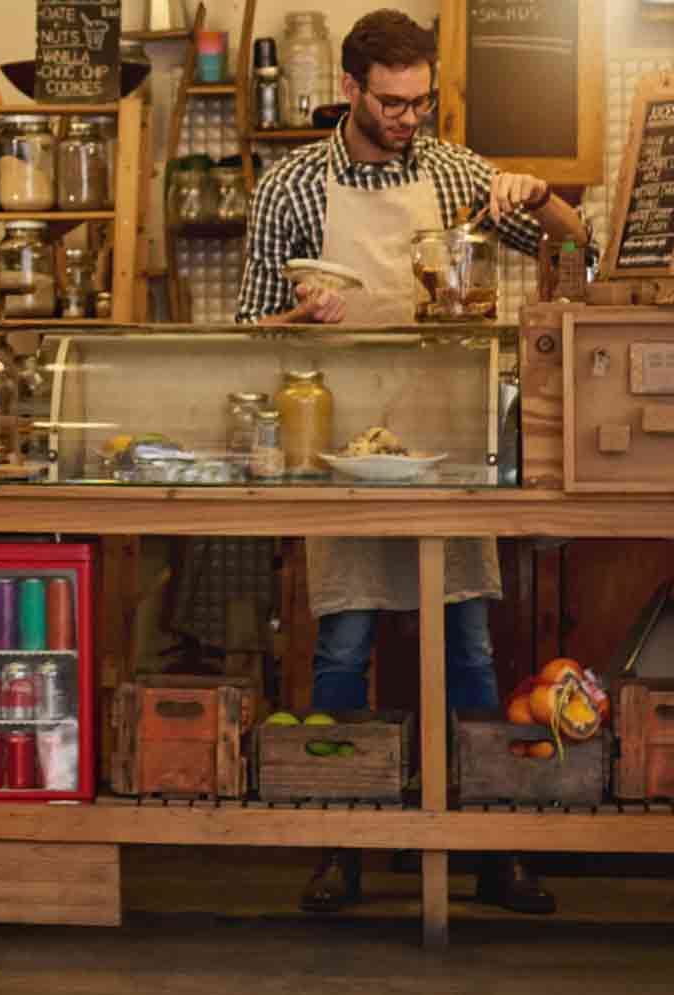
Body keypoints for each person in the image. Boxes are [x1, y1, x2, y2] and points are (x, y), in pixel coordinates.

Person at [236, 8, 590, 916]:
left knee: (468, 645)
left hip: (448, 441)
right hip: (340, 444)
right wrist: (295, 320)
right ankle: (341, 847)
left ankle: (488, 848)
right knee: (345, 645)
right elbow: (243, 332)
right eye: (392, 103)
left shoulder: (454, 171)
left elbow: (577, 240)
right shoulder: (291, 188)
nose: (408, 119)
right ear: (351, 90)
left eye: (421, 101)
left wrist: (534, 190)